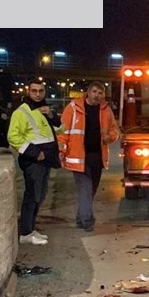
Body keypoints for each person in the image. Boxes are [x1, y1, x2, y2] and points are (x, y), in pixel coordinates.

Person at [58, 81, 121, 232]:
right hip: (78, 157)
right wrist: (61, 151)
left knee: (91, 190)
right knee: (85, 189)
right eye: (94, 92)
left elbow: (115, 130)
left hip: (97, 157)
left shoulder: (106, 110)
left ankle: (81, 218)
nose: (97, 96)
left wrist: (110, 137)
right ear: (88, 92)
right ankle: (87, 221)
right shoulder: (73, 108)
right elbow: (62, 132)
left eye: (100, 93)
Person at [8, 79, 62, 245]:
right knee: (32, 196)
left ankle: (31, 228)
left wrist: (52, 116)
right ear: (28, 92)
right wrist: (34, 153)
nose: (38, 94)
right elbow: (13, 136)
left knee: (40, 194)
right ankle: (25, 232)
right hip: (34, 161)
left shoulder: (43, 110)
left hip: (45, 159)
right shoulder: (21, 112)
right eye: (34, 91)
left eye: (40, 91)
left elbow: (59, 128)